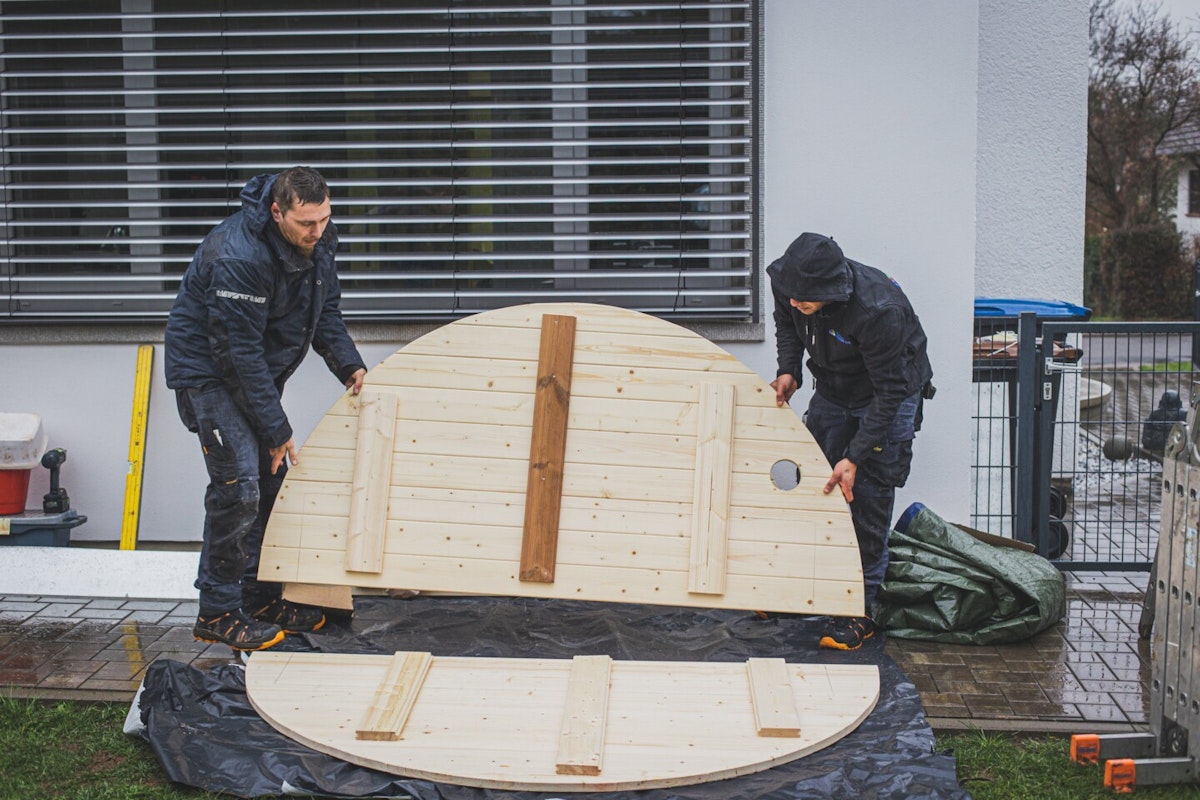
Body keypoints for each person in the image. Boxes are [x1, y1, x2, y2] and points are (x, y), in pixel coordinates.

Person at [165, 166, 368, 652]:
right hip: (210, 373)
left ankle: (259, 598)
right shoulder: (239, 255)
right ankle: (217, 610)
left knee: (272, 479)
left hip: (251, 367)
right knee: (239, 485)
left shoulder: (316, 237)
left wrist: (349, 366)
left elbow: (326, 309)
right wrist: (277, 428)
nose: (318, 232)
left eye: (325, 219)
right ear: (277, 212)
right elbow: (238, 356)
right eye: (307, 224)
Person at [768, 232, 933, 651]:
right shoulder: (790, 288)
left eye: (803, 298)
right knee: (815, 485)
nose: (793, 302)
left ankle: (859, 610)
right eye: (790, 293)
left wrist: (856, 455)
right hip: (834, 389)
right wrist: (790, 370)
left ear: (829, 291)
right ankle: (809, 592)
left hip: (887, 396)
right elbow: (787, 324)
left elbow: (890, 392)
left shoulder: (879, 311)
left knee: (867, 497)